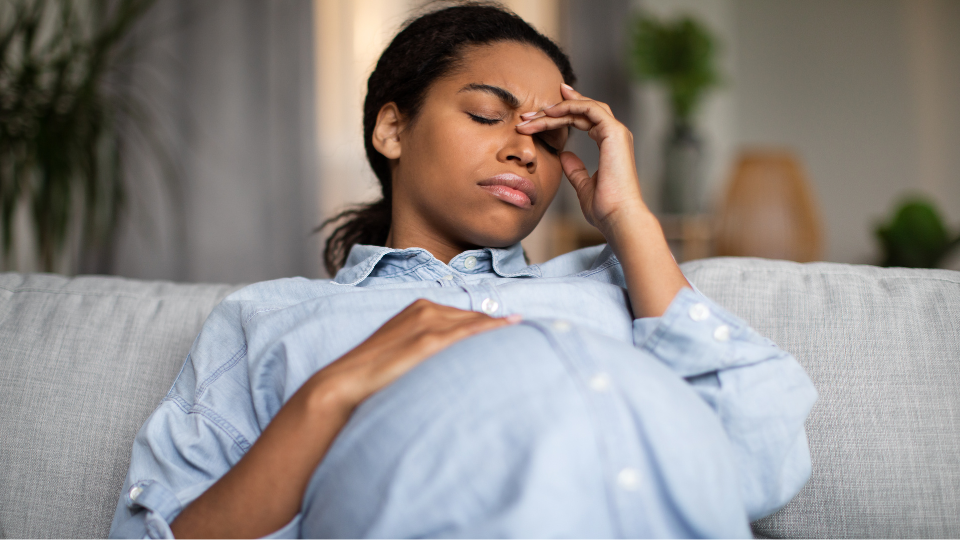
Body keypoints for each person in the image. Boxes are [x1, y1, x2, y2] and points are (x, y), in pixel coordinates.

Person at [110, 3, 817, 538]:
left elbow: (764, 460)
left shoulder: (620, 288)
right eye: (487, 115)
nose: (525, 152)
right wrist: (330, 397)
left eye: (551, 137)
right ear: (391, 129)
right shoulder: (272, 318)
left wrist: (630, 219)